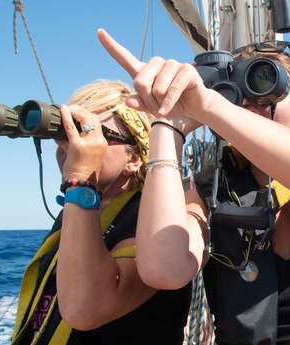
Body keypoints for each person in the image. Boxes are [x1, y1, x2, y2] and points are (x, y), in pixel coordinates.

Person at [97, 28, 290, 345]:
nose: (251, 103)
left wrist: (213, 107)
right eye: (237, 94)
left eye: (264, 81)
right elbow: (165, 269)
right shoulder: (210, 190)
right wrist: (167, 122)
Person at [10, 80, 192, 345]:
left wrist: (80, 182)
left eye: (92, 133)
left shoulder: (152, 219)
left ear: (134, 158)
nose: (72, 145)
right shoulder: (75, 213)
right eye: (66, 133)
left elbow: (88, 305)